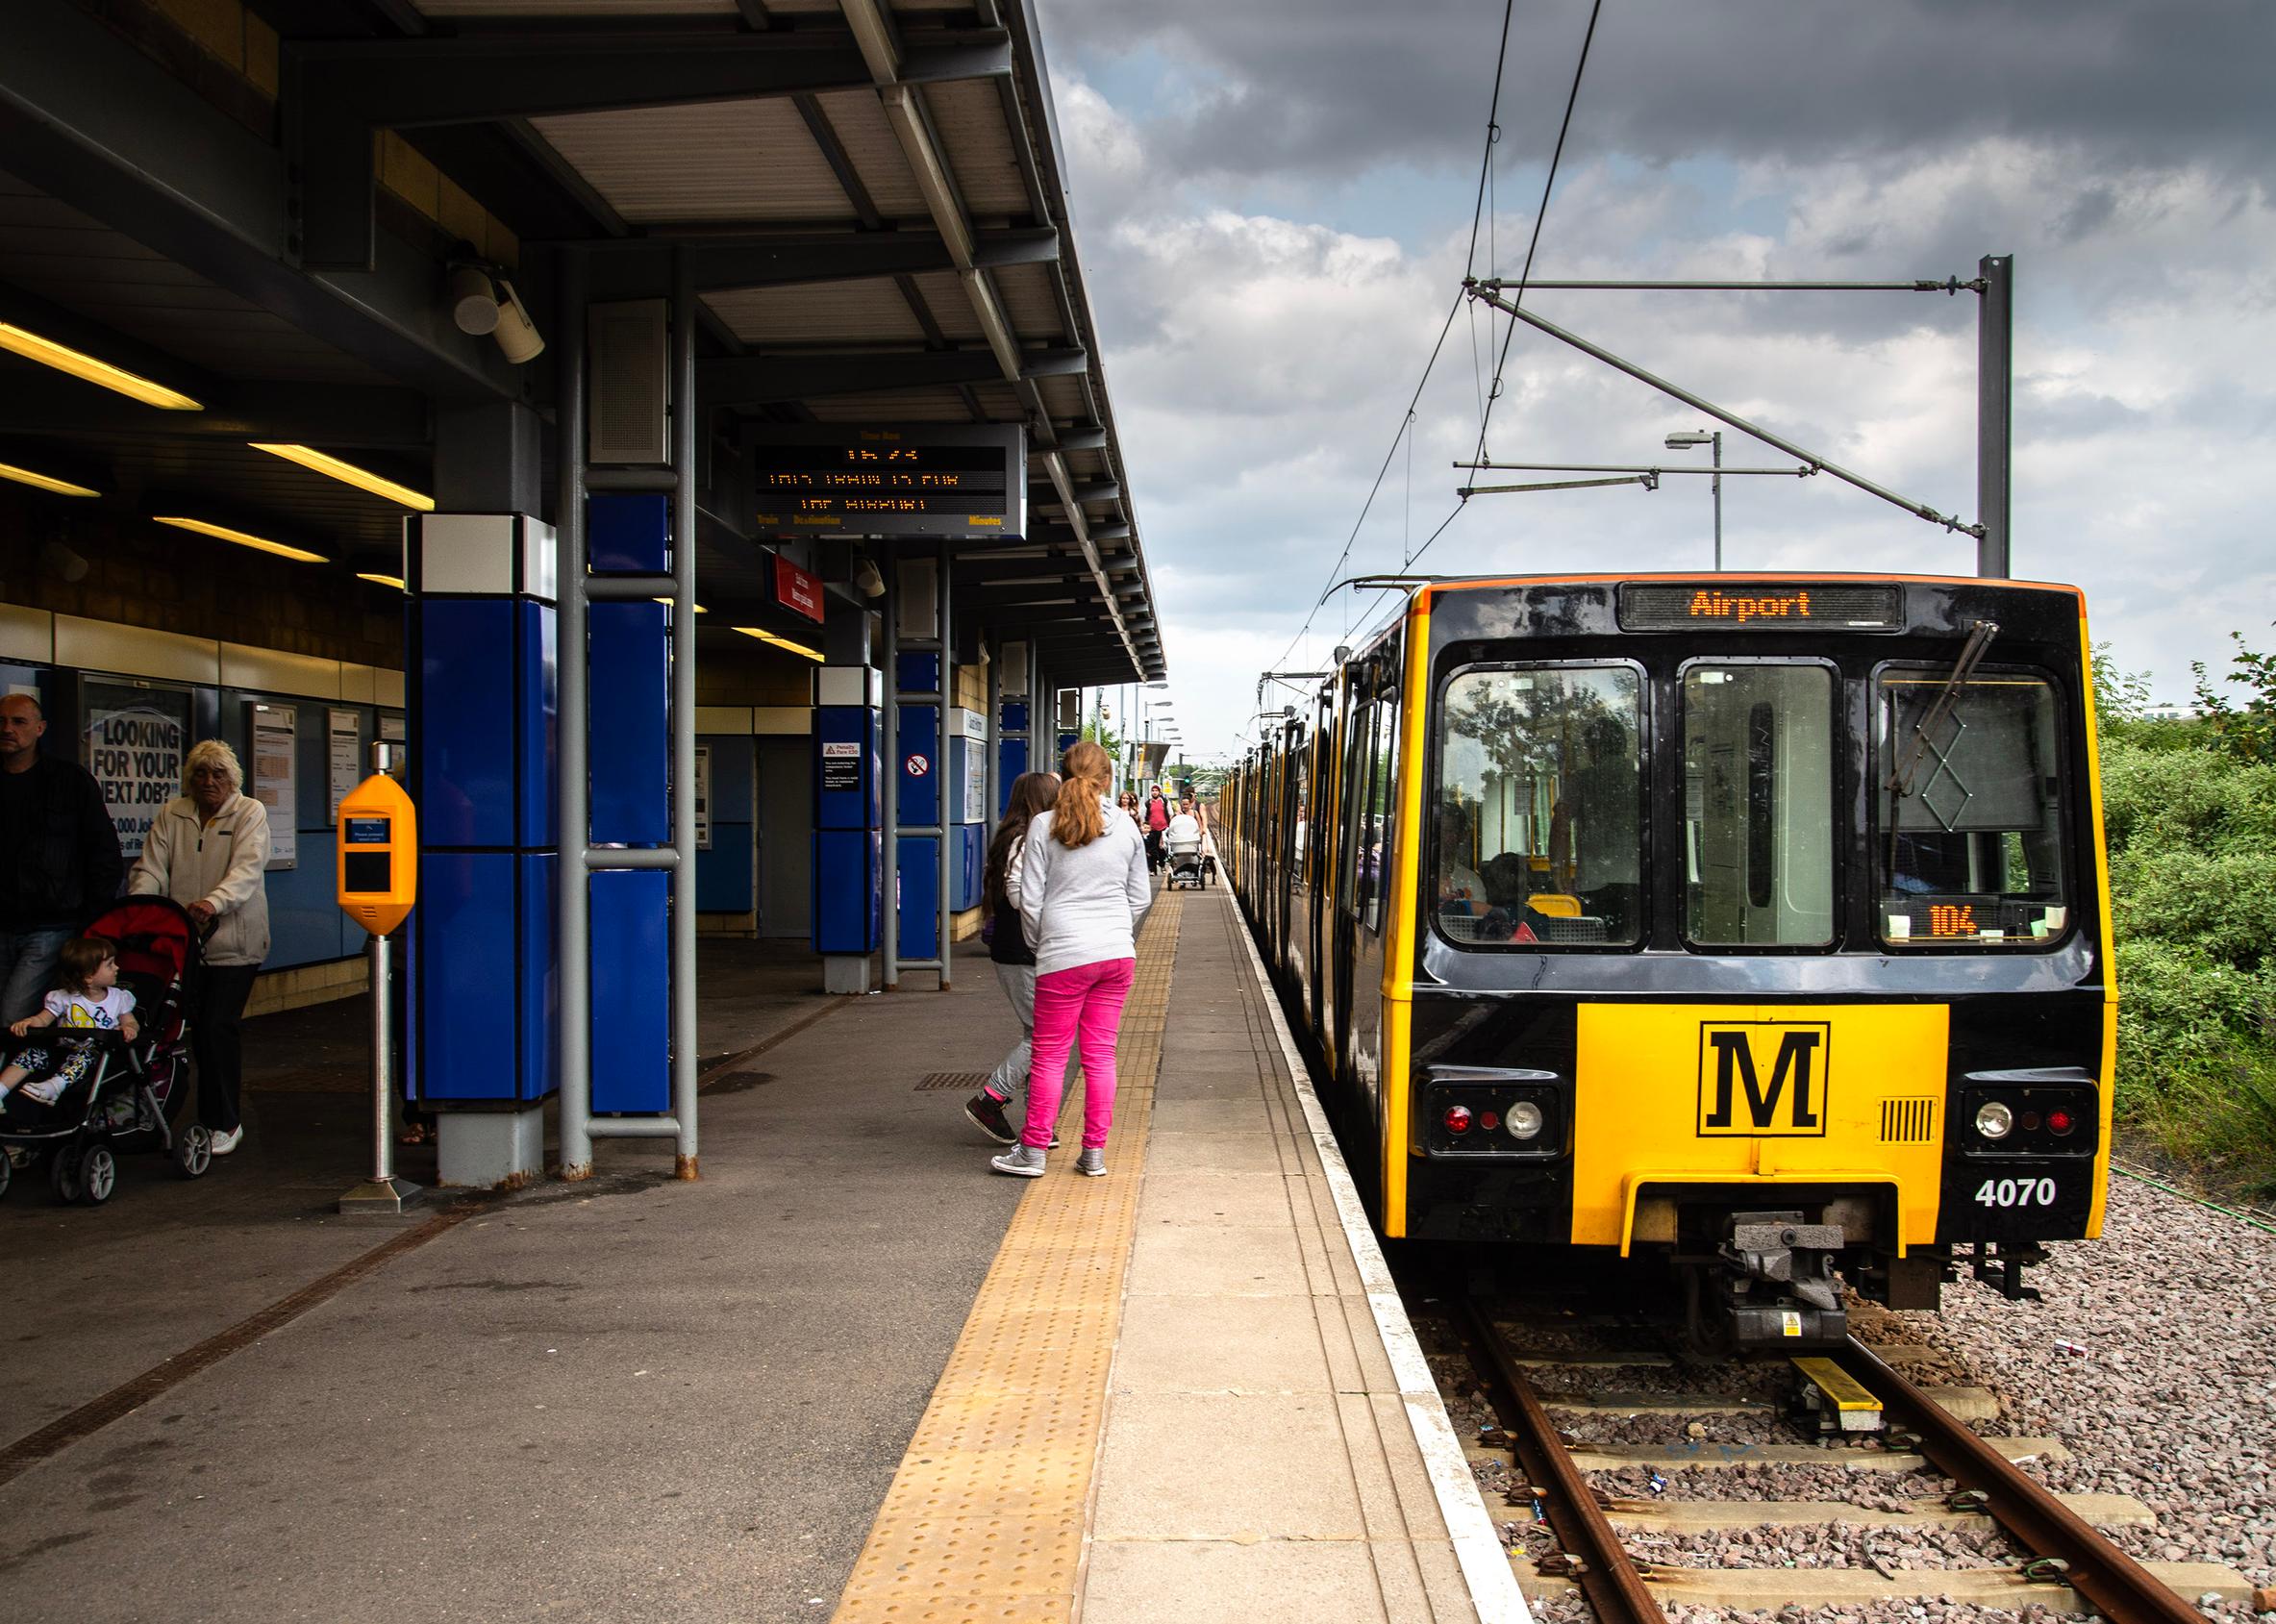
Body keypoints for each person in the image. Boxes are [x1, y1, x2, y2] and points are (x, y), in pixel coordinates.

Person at [995, 740, 1149, 1179]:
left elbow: (1030, 900)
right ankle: (1094, 1154)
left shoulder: (1043, 825)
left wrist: (1041, 944)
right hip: (1115, 955)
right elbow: (1139, 897)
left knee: (1050, 1055)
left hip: (1063, 952)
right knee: (1100, 1056)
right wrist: (1114, 932)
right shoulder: (1127, 827)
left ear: (1063, 776)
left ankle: (1032, 1152)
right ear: (1107, 780)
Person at [129, 739, 269, 1157]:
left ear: (233, 779)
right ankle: (168, 1113)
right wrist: (142, 906)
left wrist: (214, 902)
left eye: (218, 774)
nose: (209, 781)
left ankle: (224, 1121)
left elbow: (247, 868)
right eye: (201, 774)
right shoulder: (173, 813)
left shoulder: (249, 812)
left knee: (215, 1028)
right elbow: (152, 867)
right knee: (179, 1030)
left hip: (234, 941)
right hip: (182, 942)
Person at [0, 692, 125, 1025]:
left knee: (12, 1016)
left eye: (19, 721)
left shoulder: (69, 781)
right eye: (2, 721)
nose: (8, 729)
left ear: (40, 728)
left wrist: (89, 919)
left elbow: (104, 851)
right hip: (4, 921)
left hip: (51, 926)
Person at [964, 770, 1063, 1146]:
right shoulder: (1024, 839)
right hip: (1022, 950)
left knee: (1038, 1034)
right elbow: (1021, 897)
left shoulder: (1014, 835)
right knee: (1044, 1036)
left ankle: (1040, 1121)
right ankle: (990, 1099)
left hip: (1016, 949)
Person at [0, 935, 138, 1128]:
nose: (117, 968)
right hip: (62, 1051)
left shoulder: (118, 998)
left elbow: (130, 1021)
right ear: (88, 977)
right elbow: (43, 1019)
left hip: (96, 1054)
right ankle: (1, 1090)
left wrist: (129, 1028)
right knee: (33, 1053)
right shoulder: (63, 997)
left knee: (83, 1056)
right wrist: (30, 1021)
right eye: (110, 964)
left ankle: (53, 1087)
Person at [1143, 787, 1170, 873]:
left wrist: (1169, 826)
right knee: (1152, 849)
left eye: (1156, 791)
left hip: (1163, 829)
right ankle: (1152, 869)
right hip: (1151, 829)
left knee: (1162, 848)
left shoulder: (1164, 802)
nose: (1154, 792)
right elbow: (1143, 814)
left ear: (1159, 792)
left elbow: (1170, 813)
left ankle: (1162, 865)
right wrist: (1145, 827)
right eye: (1153, 791)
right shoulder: (1148, 803)